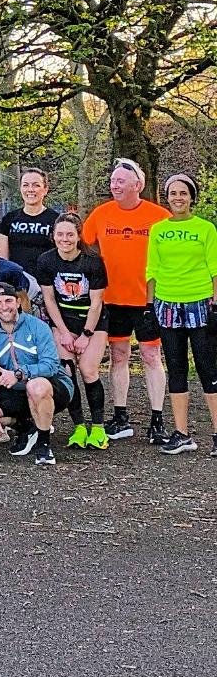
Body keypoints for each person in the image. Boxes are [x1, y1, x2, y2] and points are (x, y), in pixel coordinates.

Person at [82, 157, 170, 443]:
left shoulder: (159, 216)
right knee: (118, 356)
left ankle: (157, 419)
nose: (114, 185)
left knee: (151, 356)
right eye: (112, 181)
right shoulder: (101, 213)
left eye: (120, 181)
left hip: (147, 300)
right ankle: (121, 416)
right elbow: (83, 241)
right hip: (113, 299)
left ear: (137, 185)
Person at [146, 174, 217, 456]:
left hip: (199, 302)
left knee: (208, 370)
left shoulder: (206, 229)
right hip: (167, 304)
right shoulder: (158, 230)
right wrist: (149, 306)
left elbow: (215, 268)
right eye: (173, 193)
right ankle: (182, 433)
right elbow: (152, 268)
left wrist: (215, 304)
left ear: (191, 197)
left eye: (183, 193)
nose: (178, 198)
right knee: (176, 370)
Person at [33, 213, 110, 449]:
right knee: (67, 371)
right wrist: (63, 332)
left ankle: (98, 428)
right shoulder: (46, 261)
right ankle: (78, 426)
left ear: (78, 236)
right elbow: (49, 299)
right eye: (60, 234)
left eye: (70, 234)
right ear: (53, 236)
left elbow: (96, 303)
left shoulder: (93, 261)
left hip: (92, 321)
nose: (64, 239)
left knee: (88, 370)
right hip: (63, 321)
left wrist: (86, 335)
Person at [0, 281, 71, 465]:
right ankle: (27, 427)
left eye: (8, 301)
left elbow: (50, 365)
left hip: (52, 387)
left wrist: (19, 374)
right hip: (17, 392)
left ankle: (44, 444)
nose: (4, 307)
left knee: (36, 386)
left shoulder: (37, 326)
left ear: (18, 302)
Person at [0, 169, 60, 278]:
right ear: (20, 189)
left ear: (45, 190)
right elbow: (2, 258)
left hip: (47, 282)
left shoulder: (56, 220)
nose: (30, 190)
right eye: (25, 185)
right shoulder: (9, 219)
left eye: (36, 185)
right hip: (17, 282)